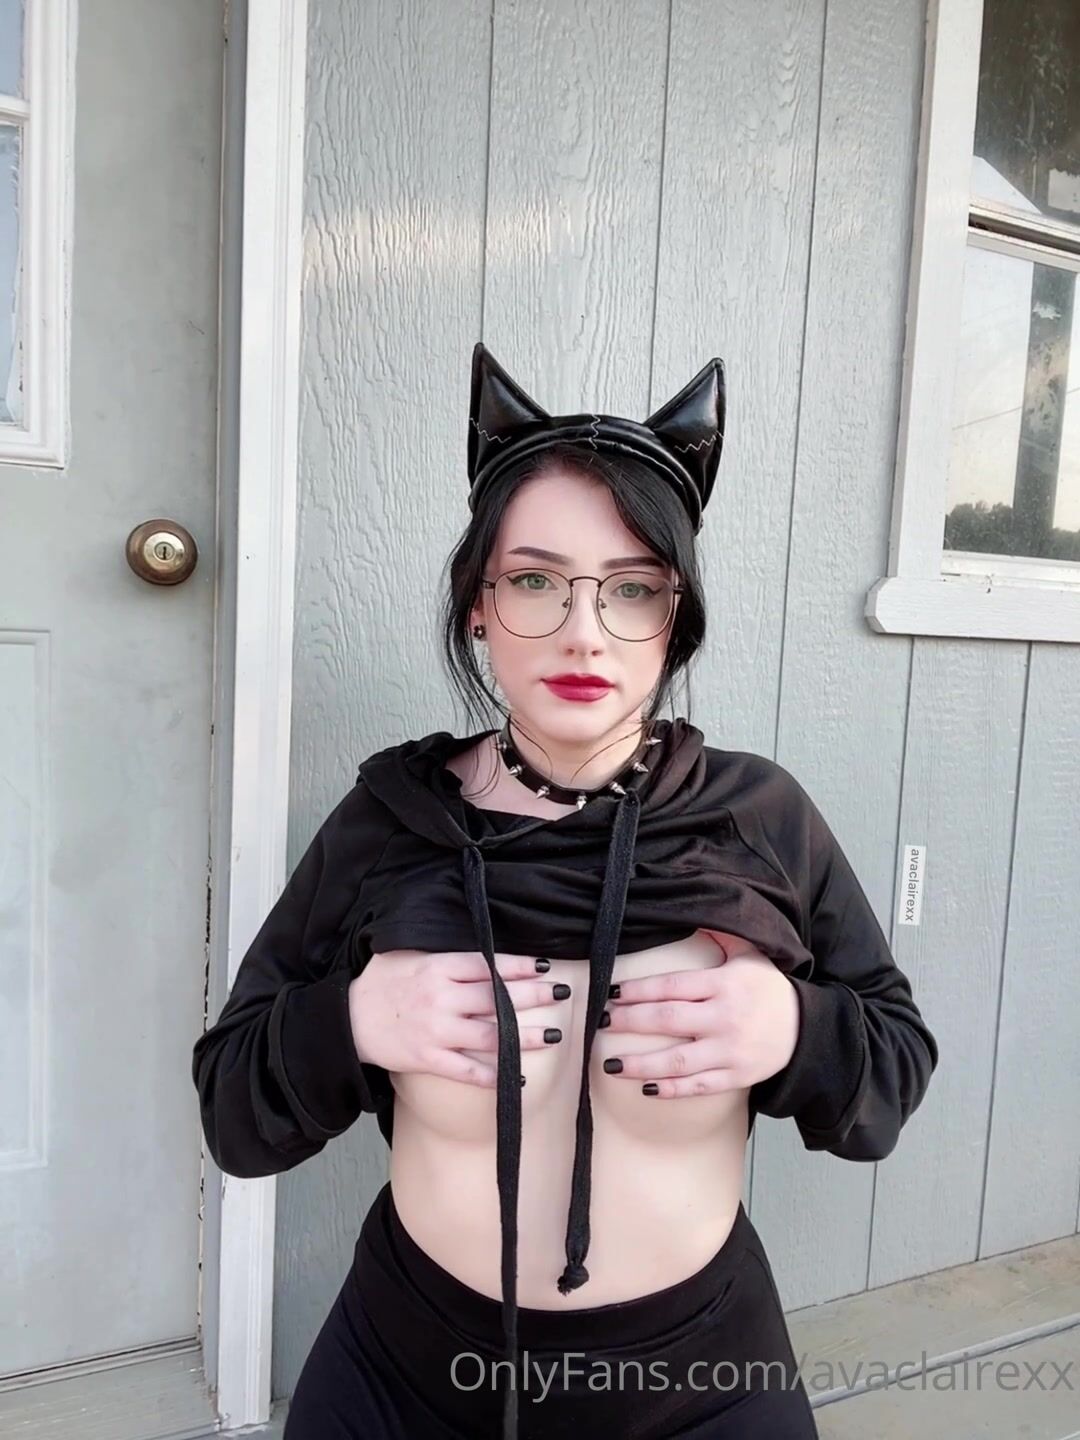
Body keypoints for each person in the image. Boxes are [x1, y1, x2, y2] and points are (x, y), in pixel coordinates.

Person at [191, 342, 939, 1440]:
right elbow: (233, 1113)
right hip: (405, 1376)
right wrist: (350, 1021)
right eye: (536, 580)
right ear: (479, 606)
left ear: (675, 618)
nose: (584, 632)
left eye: (632, 588)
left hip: (700, 1383)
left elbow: (890, 1076)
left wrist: (795, 1027)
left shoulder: (760, 817)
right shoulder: (390, 822)